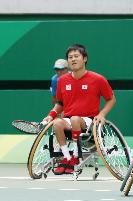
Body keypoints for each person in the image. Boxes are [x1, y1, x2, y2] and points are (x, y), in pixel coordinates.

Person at [43, 44, 116, 175]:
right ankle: (67, 158)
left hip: (89, 121)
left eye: (76, 56)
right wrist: (51, 114)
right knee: (57, 123)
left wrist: (102, 114)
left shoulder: (98, 79)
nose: (73, 59)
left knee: (76, 119)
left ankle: (76, 156)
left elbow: (111, 99)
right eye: (70, 57)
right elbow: (60, 103)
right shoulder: (62, 80)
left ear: (85, 59)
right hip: (70, 120)